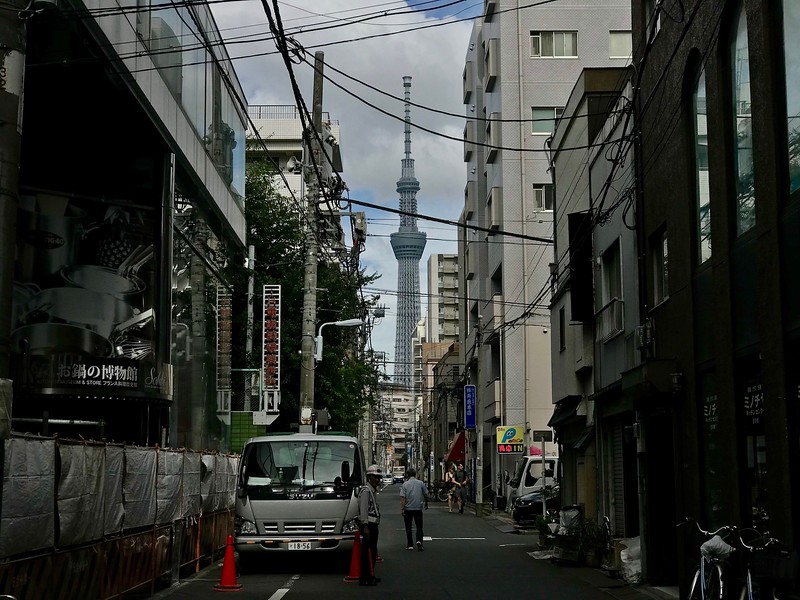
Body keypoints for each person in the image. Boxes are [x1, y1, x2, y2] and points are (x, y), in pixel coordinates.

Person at [357, 464, 382, 586]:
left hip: (374, 524)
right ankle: (365, 577)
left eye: (378, 477)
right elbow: (363, 510)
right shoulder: (366, 491)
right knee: (367, 552)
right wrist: (365, 526)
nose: (377, 480)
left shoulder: (372, 491)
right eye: (375, 477)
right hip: (369, 525)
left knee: (372, 551)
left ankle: (370, 575)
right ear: (369, 477)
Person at [399, 468, 428, 551]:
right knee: (419, 526)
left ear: (407, 475)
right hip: (418, 508)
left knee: (408, 526)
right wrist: (426, 503)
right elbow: (426, 493)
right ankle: (419, 541)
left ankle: (410, 544)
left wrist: (402, 508)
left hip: (408, 508)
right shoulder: (421, 483)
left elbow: (403, 498)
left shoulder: (405, 484)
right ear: (415, 474)